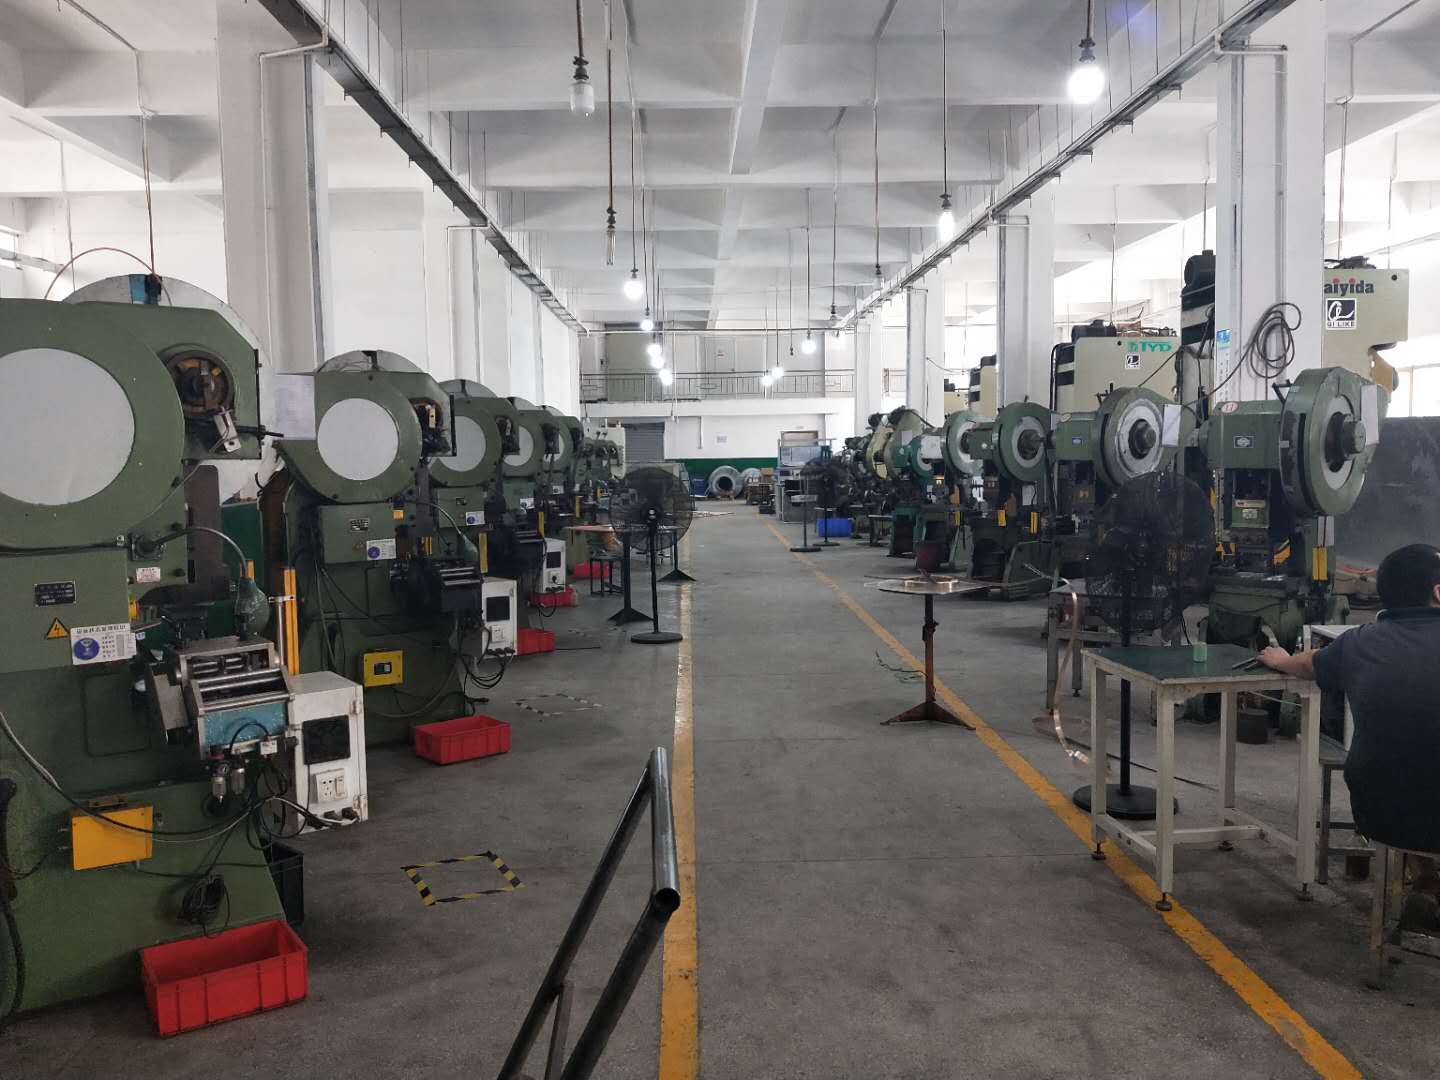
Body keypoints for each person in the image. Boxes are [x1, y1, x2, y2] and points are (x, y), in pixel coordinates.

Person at [1259, 543, 1440, 921]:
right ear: (1438, 593)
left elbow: (1308, 664)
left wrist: (1281, 660)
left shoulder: (1359, 642)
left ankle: (1427, 881)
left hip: (1379, 814)